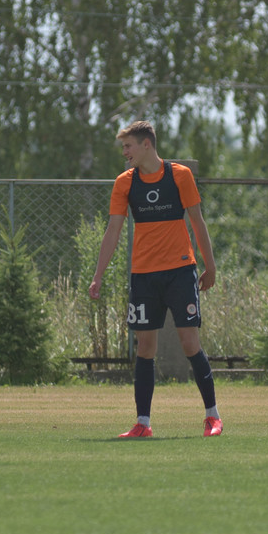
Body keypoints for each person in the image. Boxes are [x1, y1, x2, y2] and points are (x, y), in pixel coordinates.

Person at [89, 120, 222, 438]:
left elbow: (197, 222)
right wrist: (98, 275)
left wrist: (210, 266)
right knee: (145, 348)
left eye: (128, 146)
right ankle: (143, 424)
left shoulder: (180, 176)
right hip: (143, 277)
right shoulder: (124, 183)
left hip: (180, 272)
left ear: (146, 144)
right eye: (124, 148)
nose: (125, 154)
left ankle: (212, 417)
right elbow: (113, 231)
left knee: (190, 343)